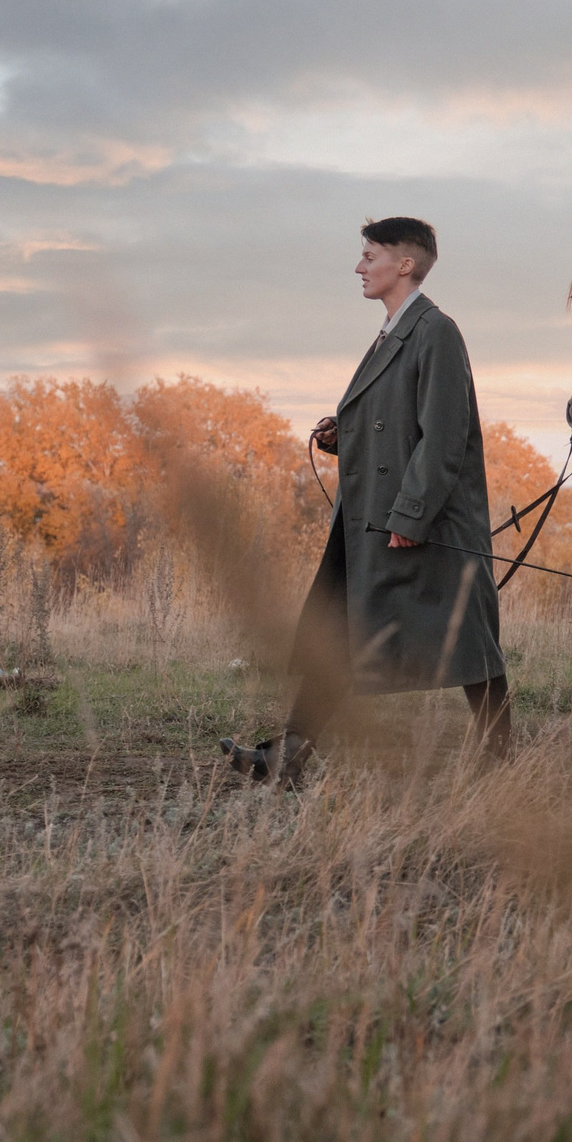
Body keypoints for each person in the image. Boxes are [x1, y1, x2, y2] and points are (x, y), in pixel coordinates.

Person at [221, 216, 511, 782]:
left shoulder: (436, 331)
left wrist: (411, 513)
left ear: (405, 264)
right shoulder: (394, 330)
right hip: (372, 518)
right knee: (344, 630)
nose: (359, 266)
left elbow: (445, 435)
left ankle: (502, 759)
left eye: (370, 255)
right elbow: (394, 427)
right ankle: (288, 756)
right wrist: (344, 435)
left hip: (426, 522)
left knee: (471, 641)